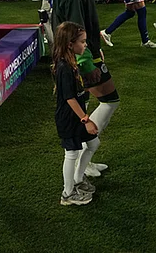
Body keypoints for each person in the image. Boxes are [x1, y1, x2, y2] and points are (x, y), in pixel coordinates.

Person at [53, 0, 119, 178]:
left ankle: (84, 159)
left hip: (82, 53)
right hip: (79, 58)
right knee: (110, 100)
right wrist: (85, 61)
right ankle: (83, 160)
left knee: (88, 104)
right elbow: (73, 28)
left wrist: (94, 44)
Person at [53, 21, 100, 206]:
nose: (85, 45)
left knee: (93, 143)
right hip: (69, 118)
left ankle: (78, 179)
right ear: (70, 44)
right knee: (71, 153)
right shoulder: (64, 67)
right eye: (82, 41)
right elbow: (69, 98)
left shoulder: (72, 61)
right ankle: (67, 193)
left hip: (77, 116)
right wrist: (86, 120)